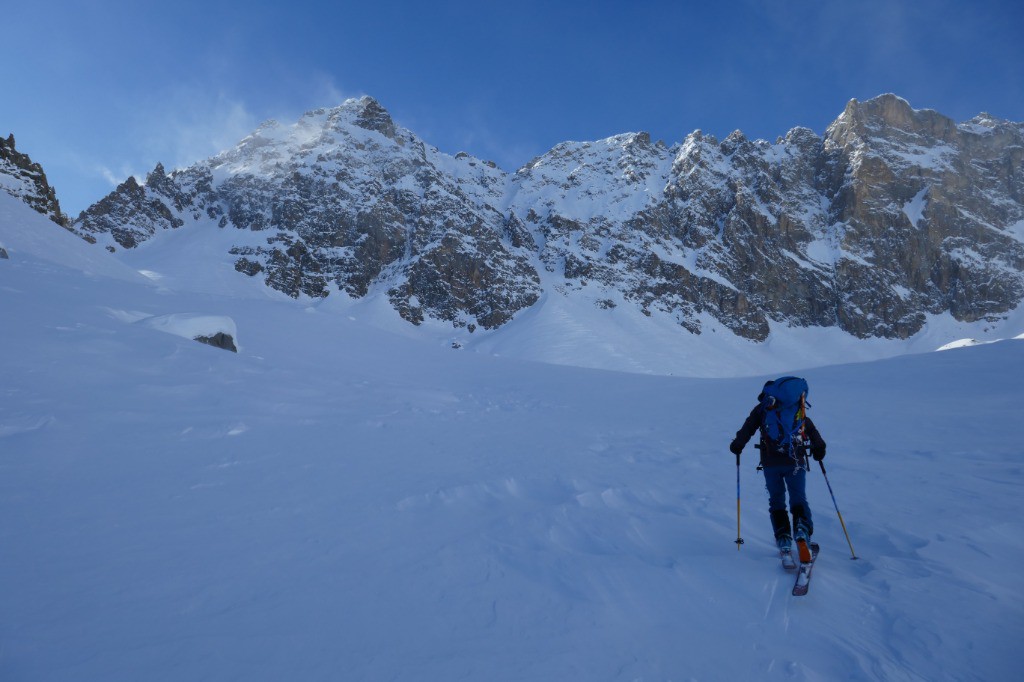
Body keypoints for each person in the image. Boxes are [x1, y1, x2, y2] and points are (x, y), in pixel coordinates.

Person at [729, 379, 826, 561]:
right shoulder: (797, 405)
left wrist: (737, 444)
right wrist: (819, 447)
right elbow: (810, 427)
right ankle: (802, 532)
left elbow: (748, 427)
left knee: (777, 501)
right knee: (798, 498)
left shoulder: (763, 408)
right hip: (795, 462)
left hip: (770, 463)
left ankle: (783, 539)